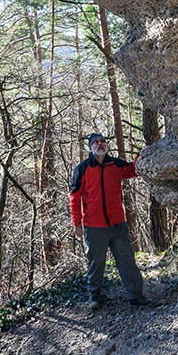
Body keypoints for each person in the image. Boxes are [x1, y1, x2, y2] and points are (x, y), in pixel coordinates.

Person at [68, 133, 150, 310]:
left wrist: (141, 154)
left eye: (102, 141)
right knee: (95, 264)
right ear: (90, 147)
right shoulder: (82, 169)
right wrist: (77, 222)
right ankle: (95, 297)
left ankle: (136, 296)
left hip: (118, 224)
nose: (99, 144)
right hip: (94, 227)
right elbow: (74, 197)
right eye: (96, 142)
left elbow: (133, 170)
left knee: (127, 261)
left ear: (106, 145)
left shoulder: (115, 164)